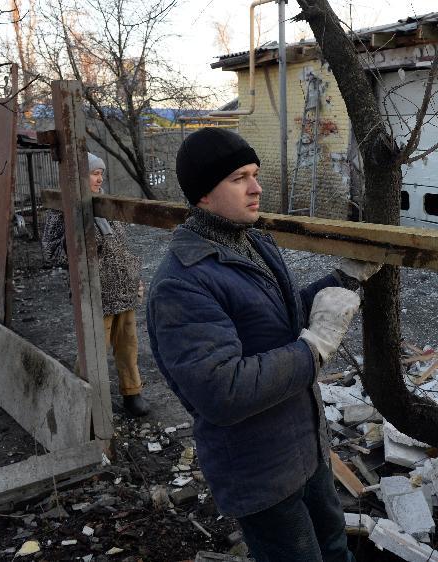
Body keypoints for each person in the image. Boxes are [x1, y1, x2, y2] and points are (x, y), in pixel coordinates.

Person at [146, 127, 380, 562]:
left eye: (254, 174)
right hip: (259, 471)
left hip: (304, 446)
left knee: (334, 548)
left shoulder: (250, 241)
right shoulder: (182, 284)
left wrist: (344, 280)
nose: (256, 188)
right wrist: (315, 348)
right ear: (202, 195)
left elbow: (280, 320)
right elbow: (223, 391)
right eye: (239, 178)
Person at [41, 153, 150, 416]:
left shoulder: (106, 205)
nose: (99, 178)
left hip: (122, 288)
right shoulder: (62, 208)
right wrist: (84, 240)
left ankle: (132, 393)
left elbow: (121, 247)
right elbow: (51, 252)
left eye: (101, 173)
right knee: (93, 351)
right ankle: (87, 402)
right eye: (94, 173)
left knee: (127, 346)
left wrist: (134, 276)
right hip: (94, 293)